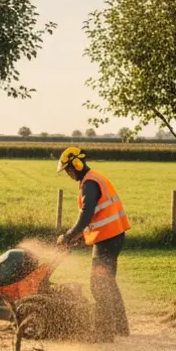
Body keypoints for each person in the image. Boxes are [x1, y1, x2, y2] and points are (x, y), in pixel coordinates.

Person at [55, 146, 130, 340]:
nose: (68, 174)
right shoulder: (94, 178)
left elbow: (87, 213)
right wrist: (81, 237)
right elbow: (98, 216)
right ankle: (121, 327)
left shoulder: (89, 183)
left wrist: (69, 235)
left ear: (76, 165)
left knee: (99, 284)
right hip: (112, 237)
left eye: (68, 170)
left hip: (107, 239)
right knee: (108, 283)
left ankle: (105, 332)